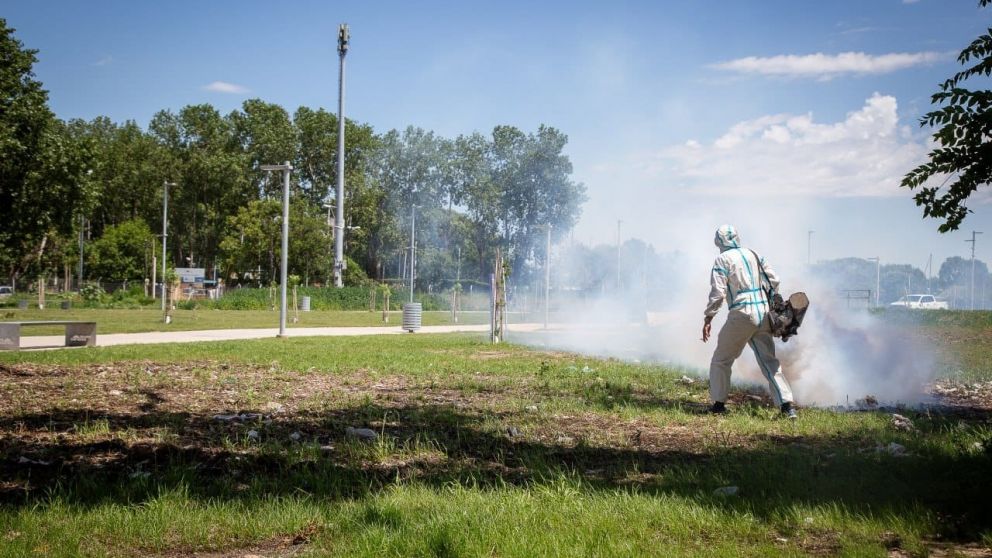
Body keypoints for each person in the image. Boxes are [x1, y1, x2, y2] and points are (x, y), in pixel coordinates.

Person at [701, 225, 797, 419]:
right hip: (763, 312)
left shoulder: (722, 259)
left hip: (742, 313)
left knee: (721, 360)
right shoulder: (754, 254)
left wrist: (709, 317)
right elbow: (775, 281)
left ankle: (718, 405)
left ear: (718, 241)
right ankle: (787, 407)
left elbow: (718, 293)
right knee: (769, 362)